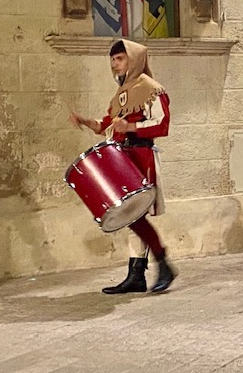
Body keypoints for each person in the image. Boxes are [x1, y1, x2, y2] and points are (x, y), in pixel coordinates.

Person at [70, 39, 177, 293]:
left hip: (140, 156)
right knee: (132, 218)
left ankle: (162, 264)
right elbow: (105, 124)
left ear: (134, 59)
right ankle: (137, 275)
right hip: (122, 158)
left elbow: (162, 125)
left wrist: (130, 127)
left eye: (120, 58)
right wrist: (86, 121)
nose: (114, 64)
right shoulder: (122, 93)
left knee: (135, 215)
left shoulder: (152, 89)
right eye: (112, 60)